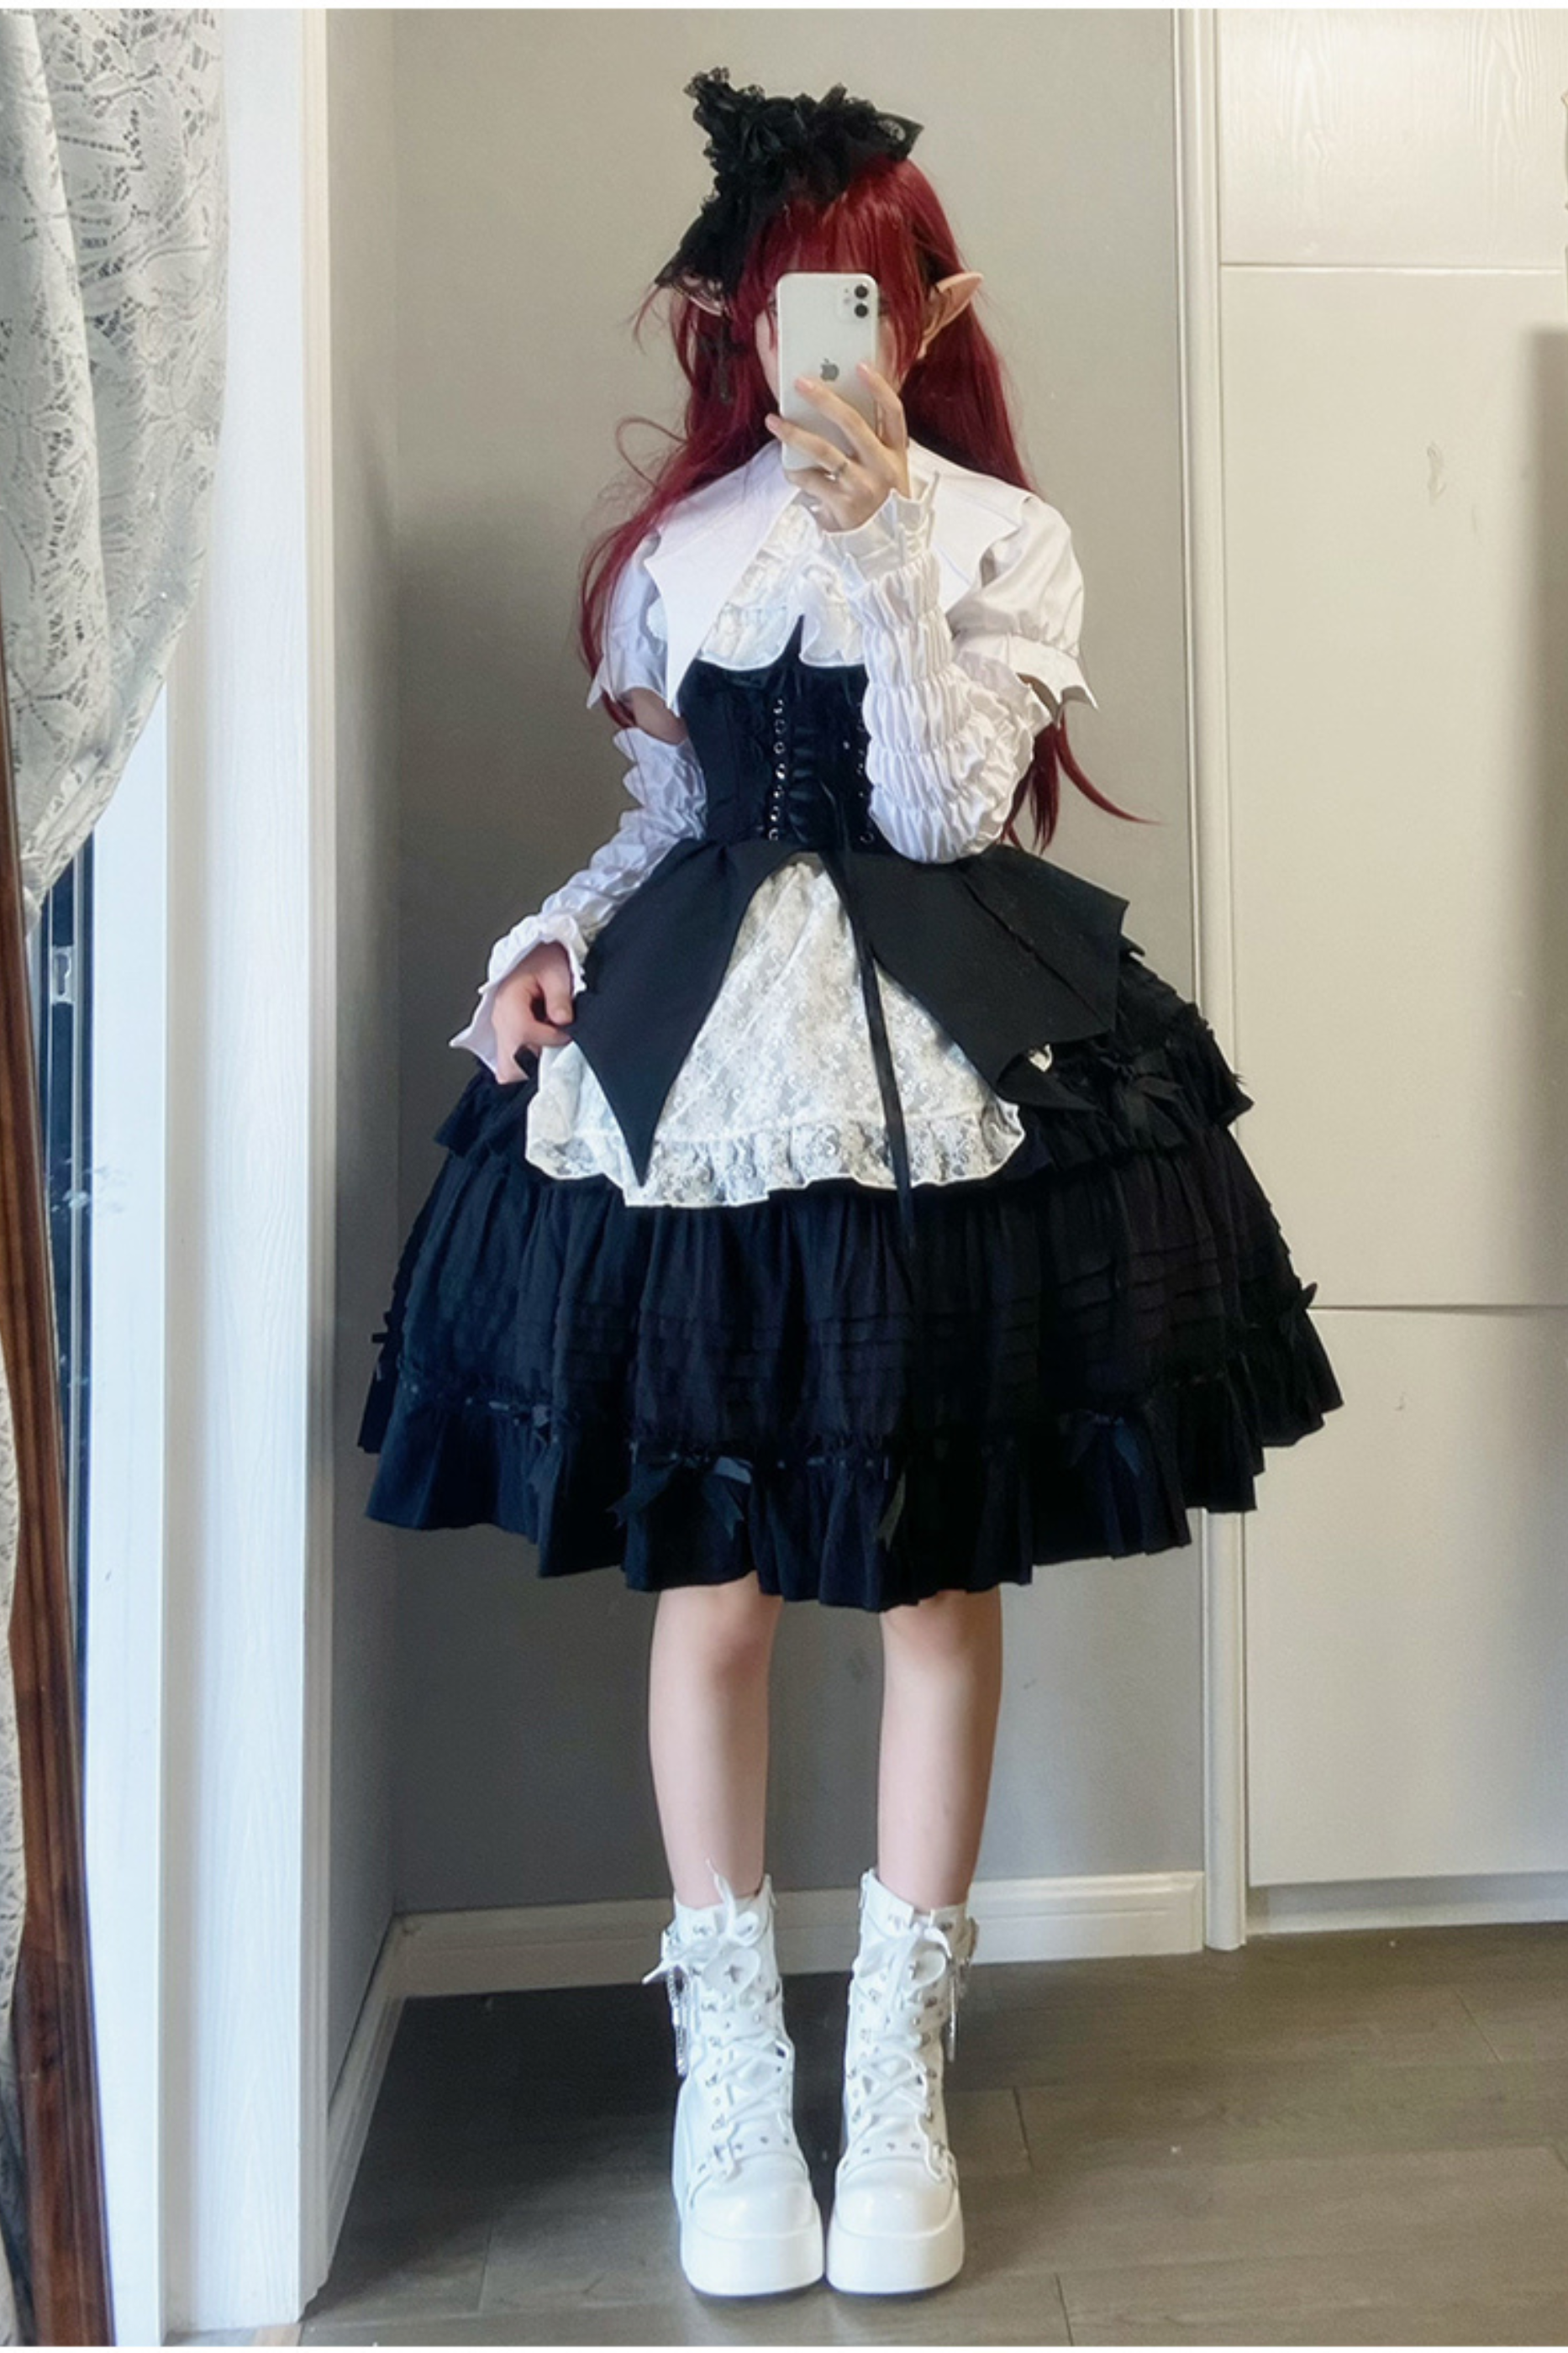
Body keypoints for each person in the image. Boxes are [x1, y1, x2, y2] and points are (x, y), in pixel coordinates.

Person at [358, 66, 1344, 2303]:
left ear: (931, 313)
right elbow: (666, 827)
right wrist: (542, 945)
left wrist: (894, 538)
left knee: (927, 1573)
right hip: (707, 1069)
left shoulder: (1000, 536)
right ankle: (729, 2060)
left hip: (933, 1077)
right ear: (736, 315)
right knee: (709, 1587)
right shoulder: (674, 560)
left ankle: (897, 2064)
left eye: (867, 299)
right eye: (791, 299)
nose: (824, 338)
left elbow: (942, 817)